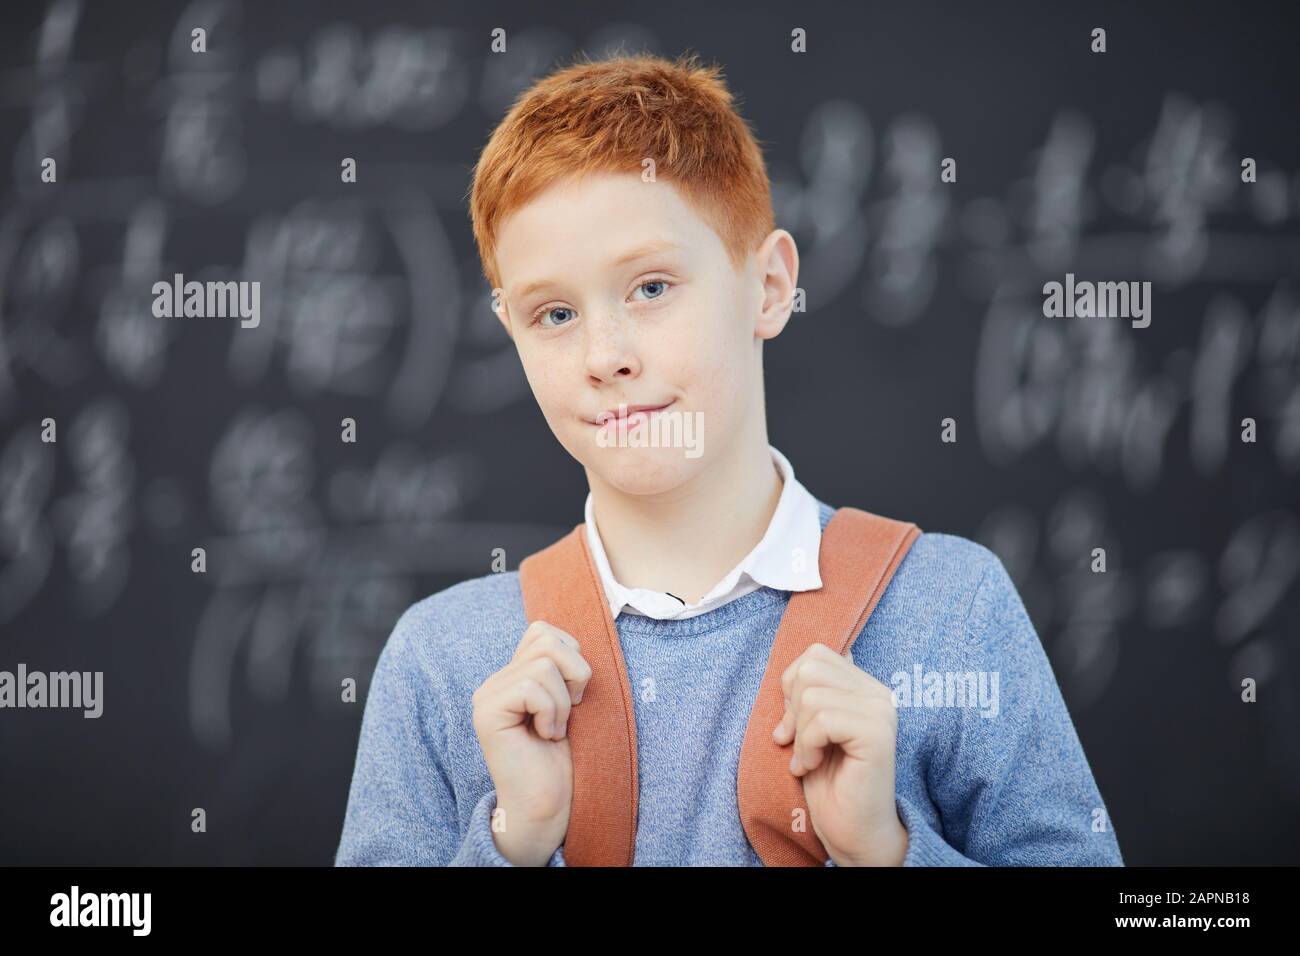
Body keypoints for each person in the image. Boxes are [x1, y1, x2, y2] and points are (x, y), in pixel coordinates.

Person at [334, 51, 1123, 867]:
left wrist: (885, 852)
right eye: (555, 312)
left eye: (650, 288)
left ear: (771, 285)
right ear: (511, 334)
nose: (605, 355)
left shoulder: (950, 610)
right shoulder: (442, 661)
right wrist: (513, 842)